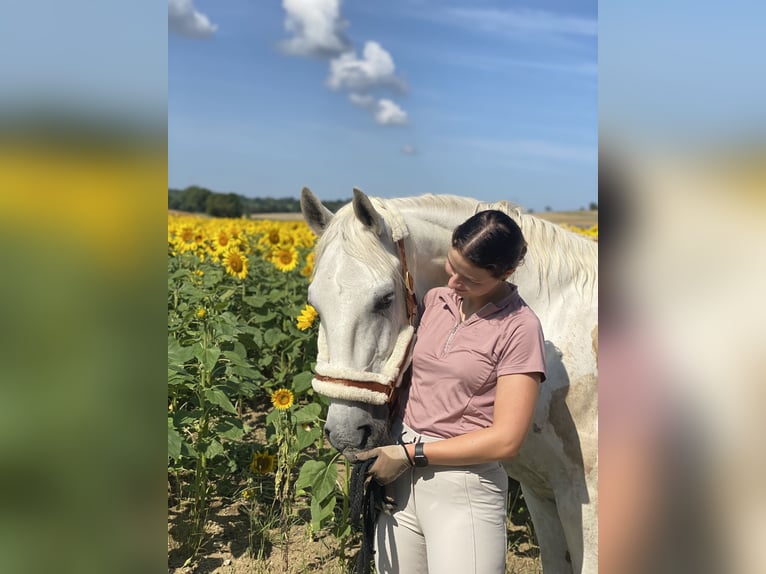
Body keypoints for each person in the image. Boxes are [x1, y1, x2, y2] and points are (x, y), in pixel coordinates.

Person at [356, 209, 547, 574]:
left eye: (470, 279)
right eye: (452, 265)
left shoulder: (520, 328)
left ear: (505, 273)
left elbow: (507, 440)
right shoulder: (434, 302)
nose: (454, 282)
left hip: (463, 488)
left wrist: (411, 455)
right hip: (399, 478)